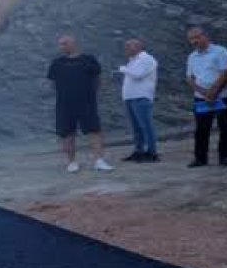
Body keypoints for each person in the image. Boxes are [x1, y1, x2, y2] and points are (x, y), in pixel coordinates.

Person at [47, 35, 114, 173]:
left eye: (65, 43)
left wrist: (89, 94)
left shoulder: (88, 60)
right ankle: (72, 163)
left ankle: (99, 161)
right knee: (67, 133)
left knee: (94, 131)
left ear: (73, 44)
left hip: (87, 103)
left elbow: (98, 80)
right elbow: (52, 83)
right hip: (64, 104)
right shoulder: (56, 63)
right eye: (60, 44)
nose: (62, 46)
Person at [185, 27, 227, 167]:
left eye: (197, 37)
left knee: (225, 127)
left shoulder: (220, 52)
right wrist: (203, 93)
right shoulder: (192, 56)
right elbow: (190, 78)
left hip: (223, 96)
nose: (194, 41)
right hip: (201, 98)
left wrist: (213, 91)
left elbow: (226, 72)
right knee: (201, 128)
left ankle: (224, 157)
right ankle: (200, 158)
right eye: (191, 39)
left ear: (205, 36)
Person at [117, 39, 160, 163]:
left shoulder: (146, 59)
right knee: (136, 127)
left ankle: (152, 152)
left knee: (146, 126)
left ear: (139, 46)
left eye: (129, 46)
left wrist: (123, 69)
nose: (126, 48)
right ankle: (139, 151)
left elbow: (138, 74)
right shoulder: (133, 60)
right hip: (130, 97)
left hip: (141, 97)